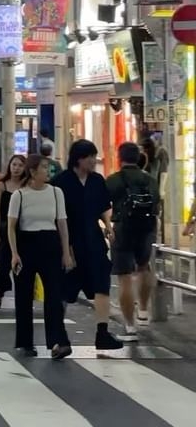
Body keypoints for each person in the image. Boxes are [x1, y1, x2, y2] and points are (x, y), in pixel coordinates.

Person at [53, 139, 123, 350]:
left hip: (93, 240)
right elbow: (57, 217)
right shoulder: (60, 182)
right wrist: (66, 250)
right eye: (89, 157)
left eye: (94, 156)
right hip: (70, 242)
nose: (94, 161)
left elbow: (103, 206)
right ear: (78, 159)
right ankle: (59, 335)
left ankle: (102, 333)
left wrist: (108, 226)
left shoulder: (97, 181)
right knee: (64, 291)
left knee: (102, 285)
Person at [7, 154, 73, 360]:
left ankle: (58, 341)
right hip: (27, 243)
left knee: (53, 295)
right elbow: (11, 226)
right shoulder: (20, 195)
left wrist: (66, 252)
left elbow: (62, 223)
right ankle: (25, 342)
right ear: (33, 172)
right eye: (44, 168)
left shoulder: (56, 193)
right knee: (24, 296)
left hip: (51, 243)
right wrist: (14, 253)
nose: (48, 171)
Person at [106, 142, 160, 341]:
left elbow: (102, 203)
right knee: (144, 267)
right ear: (139, 158)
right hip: (146, 229)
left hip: (122, 229)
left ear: (120, 158)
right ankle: (144, 311)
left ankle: (130, 325)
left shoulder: (114, 180)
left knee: (124, 277)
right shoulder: (150, 180)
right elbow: (156, 204)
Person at [0, 154, 26, 308]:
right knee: (3, 263)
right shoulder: (1, 185)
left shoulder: (27, 185)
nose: (16, 168)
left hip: (23, 229)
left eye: (20, 165)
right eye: (14, 165)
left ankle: (23, 296)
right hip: (4, 228)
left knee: (24, 265)